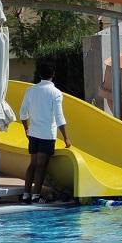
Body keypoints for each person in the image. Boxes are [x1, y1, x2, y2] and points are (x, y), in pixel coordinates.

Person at [19, 61, 70, 203]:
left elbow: (22, 113)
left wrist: (26, 129)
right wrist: (66, 138)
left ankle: (26, 194)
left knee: (33, 164)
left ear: (39, 74)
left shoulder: (30, 90)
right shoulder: (56, 93)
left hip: (33, 133)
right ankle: (36, 196)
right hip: (47, 134)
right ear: (53, 74)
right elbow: (59, 117)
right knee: (41, 166)